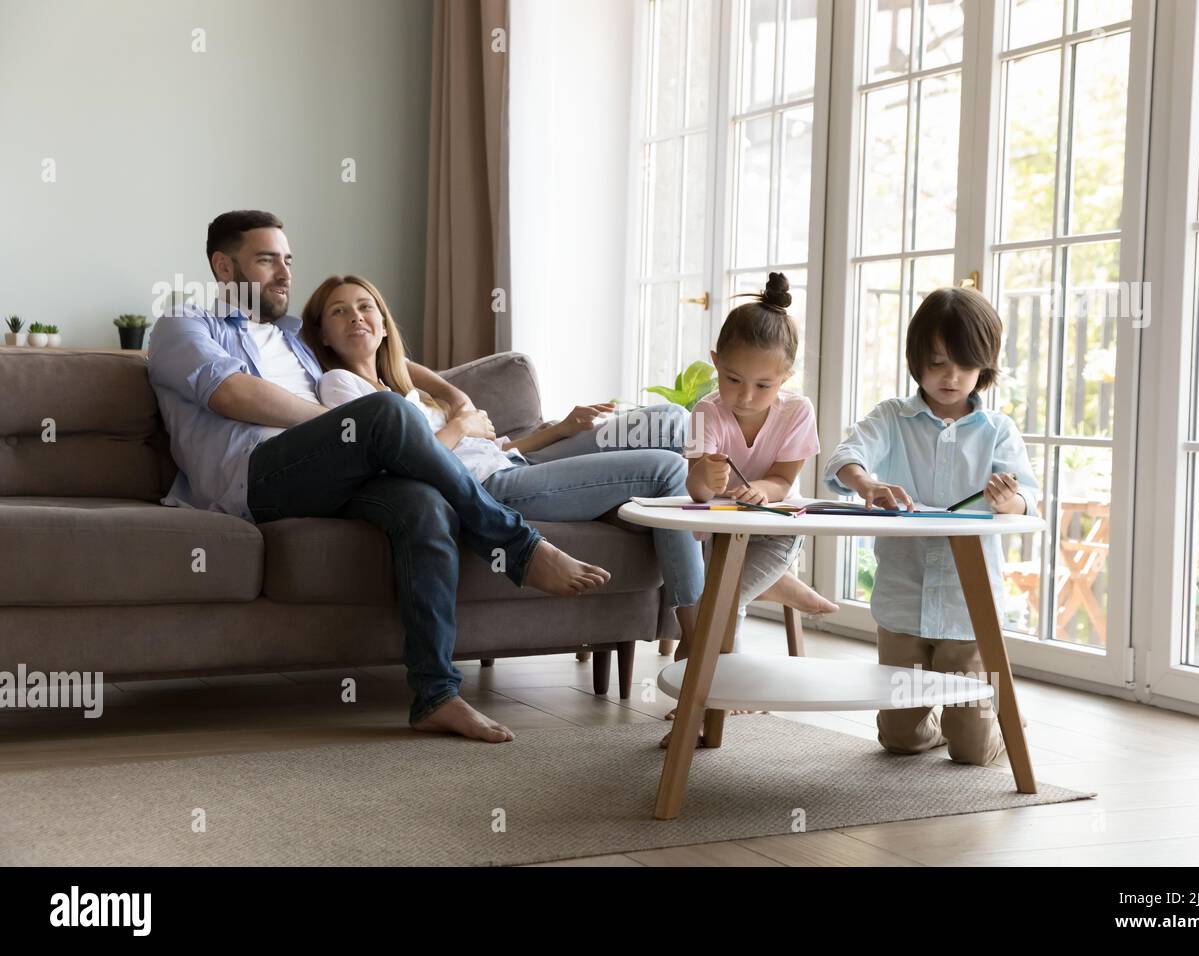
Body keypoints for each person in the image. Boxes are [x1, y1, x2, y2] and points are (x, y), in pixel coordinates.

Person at [147, 210, 608, 745]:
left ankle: (435, 696)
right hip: (258, 480)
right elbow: (231, 394)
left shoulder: (297, 335)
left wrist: (457, 400)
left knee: (424, 505)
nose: (284, 273)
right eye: (266, 259)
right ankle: (521, 548)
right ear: (224, 266)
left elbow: (388, 354)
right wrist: (348, 427)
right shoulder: (183, 326)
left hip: (338, 473)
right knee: (387, 414)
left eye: (287, 260)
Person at [301, 273, 705, 634]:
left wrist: (560, 430)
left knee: (669, 419)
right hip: (490, 489)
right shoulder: (339, 384)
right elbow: (404, 464)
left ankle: (703, 578)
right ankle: (698, 638)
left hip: (513, 464)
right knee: (666, 470)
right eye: (339, 312)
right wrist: (459, 425)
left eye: (365, 306)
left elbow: (492, 448)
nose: (355, 316)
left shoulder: (404, 388)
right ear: (323, 336)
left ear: (384, 325)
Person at [822, 286, 1040, 766]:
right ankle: (954, 720)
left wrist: (1010, 501)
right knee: (900, 739)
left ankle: (1004, 721)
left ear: (985, 367)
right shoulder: (891, 418)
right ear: (915, 360)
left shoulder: (998, 430)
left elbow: (1028, 499)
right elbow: (843, 459)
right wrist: (868, 484)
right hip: (903, 601)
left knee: (974, 751)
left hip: (967, 609)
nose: (952, 376)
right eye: (938, 362)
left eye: (966, 365)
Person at [662, 272, 836, 748]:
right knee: (714, 595)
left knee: (720, 599)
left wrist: (759, 487)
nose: (745, 395)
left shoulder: (796, 412)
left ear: (785, 378)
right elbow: (697, 491)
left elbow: (783, 481)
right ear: (715, 363)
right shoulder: (706, 412)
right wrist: (706, 476)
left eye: (763, 385)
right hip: (720, 533)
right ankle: (710, 690)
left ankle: (704, 701)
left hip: (774, 531)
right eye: (733, 379)